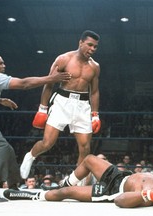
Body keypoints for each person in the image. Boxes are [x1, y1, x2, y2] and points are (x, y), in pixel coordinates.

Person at [0, 52, 71, 202]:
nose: (3, 65)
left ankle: (13, 188)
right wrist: (52, 79)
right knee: (1, 147)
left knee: (8, 150)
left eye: (3, 63)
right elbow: (24, 83)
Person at [4, 154, 153, 208]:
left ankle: (31, 193)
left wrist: (151, 195)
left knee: (67, 194)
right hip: (122, 175)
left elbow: (120, 202)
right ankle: (65, 181)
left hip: (114, 188)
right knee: (90, 159)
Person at [20, 30, 101, 180]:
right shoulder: (64, 59)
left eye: (95, 47)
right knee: (47, 143)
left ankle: (76, 181)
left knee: (85, 148)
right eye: (90, 45)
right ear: (80, 42)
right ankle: (30, 156)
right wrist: (42, 108)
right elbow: (49, 84)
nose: (92, 49)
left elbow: (94, 92)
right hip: (62, 102)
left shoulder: (95, 66)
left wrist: (95, 114)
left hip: (83, 105)